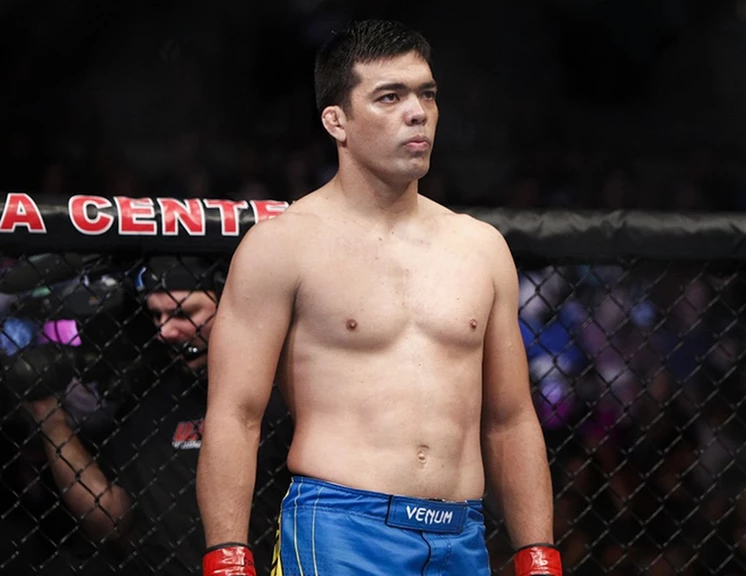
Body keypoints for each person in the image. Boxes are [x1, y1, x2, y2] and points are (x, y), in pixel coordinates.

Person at [196, 19, 563, 576]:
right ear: (336, 121)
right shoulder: (282, 246)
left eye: (427, 94)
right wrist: (227, 555)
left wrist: (538, 554)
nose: (417, 113)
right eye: (390, 97)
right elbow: (235, 415)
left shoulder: (481, 248)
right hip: (341, 530)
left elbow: (511, 418)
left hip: (462, 535)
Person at [21, 257, 292, 575]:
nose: (165, 331)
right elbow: (110, 523)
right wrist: (51, 420)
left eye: (183, 314)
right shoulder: (150, 399)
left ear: (230, 307)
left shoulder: (283, 394)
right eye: (156, 315)